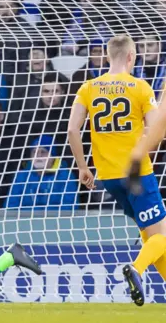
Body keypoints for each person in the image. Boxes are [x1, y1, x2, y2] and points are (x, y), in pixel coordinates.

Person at [68, 34, 166, 307]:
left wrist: (83, 168)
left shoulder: (88, 88)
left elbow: (72, 129)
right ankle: (135, 269)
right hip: (138, 175)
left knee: (151, 238)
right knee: (162, 237)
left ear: (109, 56)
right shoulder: (140, 87)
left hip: (108, 179)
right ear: (131, 57)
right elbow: (158, 128)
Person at [6, 135, 79, 210]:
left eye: (43, 152)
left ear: (52, 155)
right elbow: (11, 207)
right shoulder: (21, 176)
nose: (38, 156)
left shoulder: (65, 176)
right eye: (34, 152)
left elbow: (69, 208)